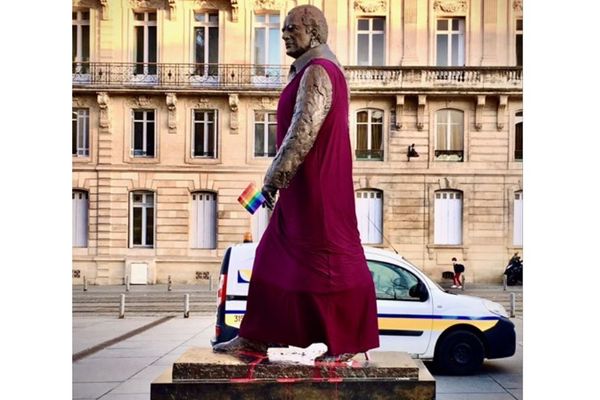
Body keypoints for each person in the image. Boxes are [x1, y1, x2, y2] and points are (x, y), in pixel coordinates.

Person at [213, 5, 380, 361]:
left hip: (315, 188)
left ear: (315, 32)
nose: (285, 34)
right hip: (301, 186)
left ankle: (347, 341)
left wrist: (274, 176)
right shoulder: (310, 70)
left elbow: (303, 130)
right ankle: (256, 337)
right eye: (283, 28)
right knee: (272, 256)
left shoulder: (319, 71)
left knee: (331, 263)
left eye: (293, 29)